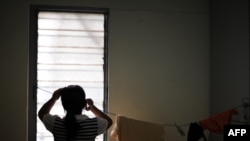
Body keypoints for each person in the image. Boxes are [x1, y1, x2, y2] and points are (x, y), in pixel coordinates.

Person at [38, 85, 113, 141]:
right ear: (84, 103)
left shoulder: (56, 123)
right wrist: (93, 108)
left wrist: (53, 99)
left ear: (63, 105)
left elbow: (42, 113)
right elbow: (109, 121)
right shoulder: (94, 124)